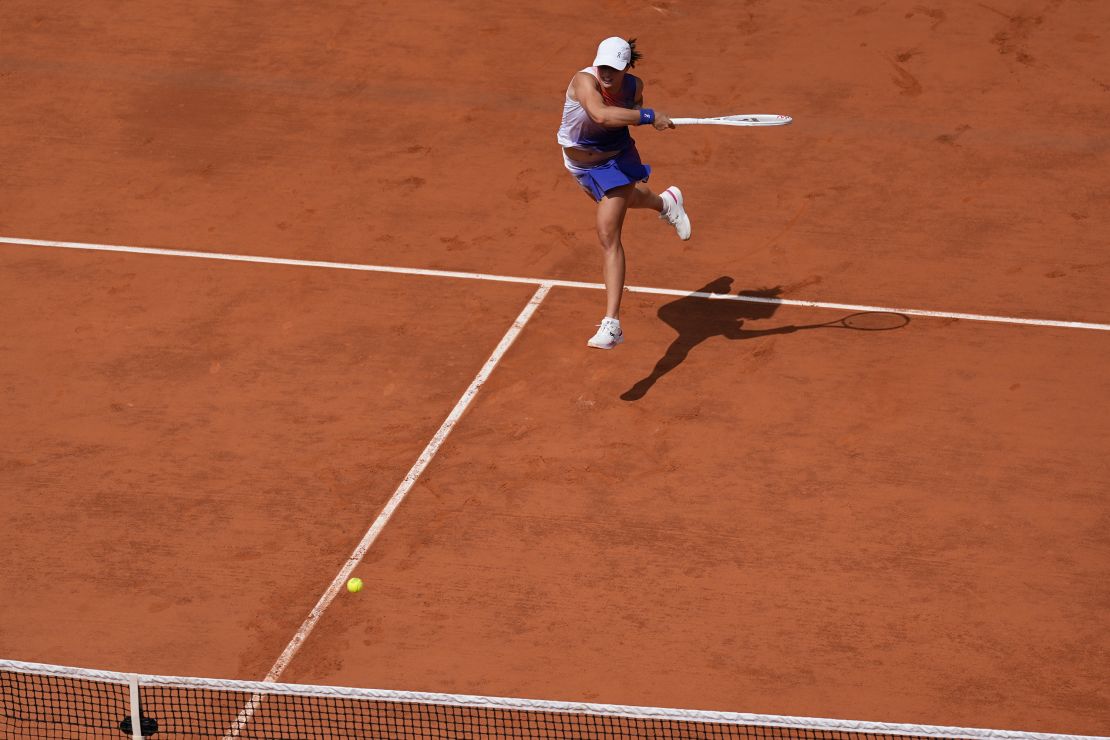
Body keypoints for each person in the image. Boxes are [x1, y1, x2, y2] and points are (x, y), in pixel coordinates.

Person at [557, 36, 691, 350]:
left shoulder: (634, 85)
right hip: (579, 165)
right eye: (603, 66)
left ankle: (612, 323)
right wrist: (647, 116)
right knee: (628, 201)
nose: (607, 73)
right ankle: (666, 202)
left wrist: (649, 118)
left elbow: (634, 109)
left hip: (615, 159)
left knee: (608, 233)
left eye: (615, 69)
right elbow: (601, 115)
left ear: (626, 68)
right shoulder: (583, 82)